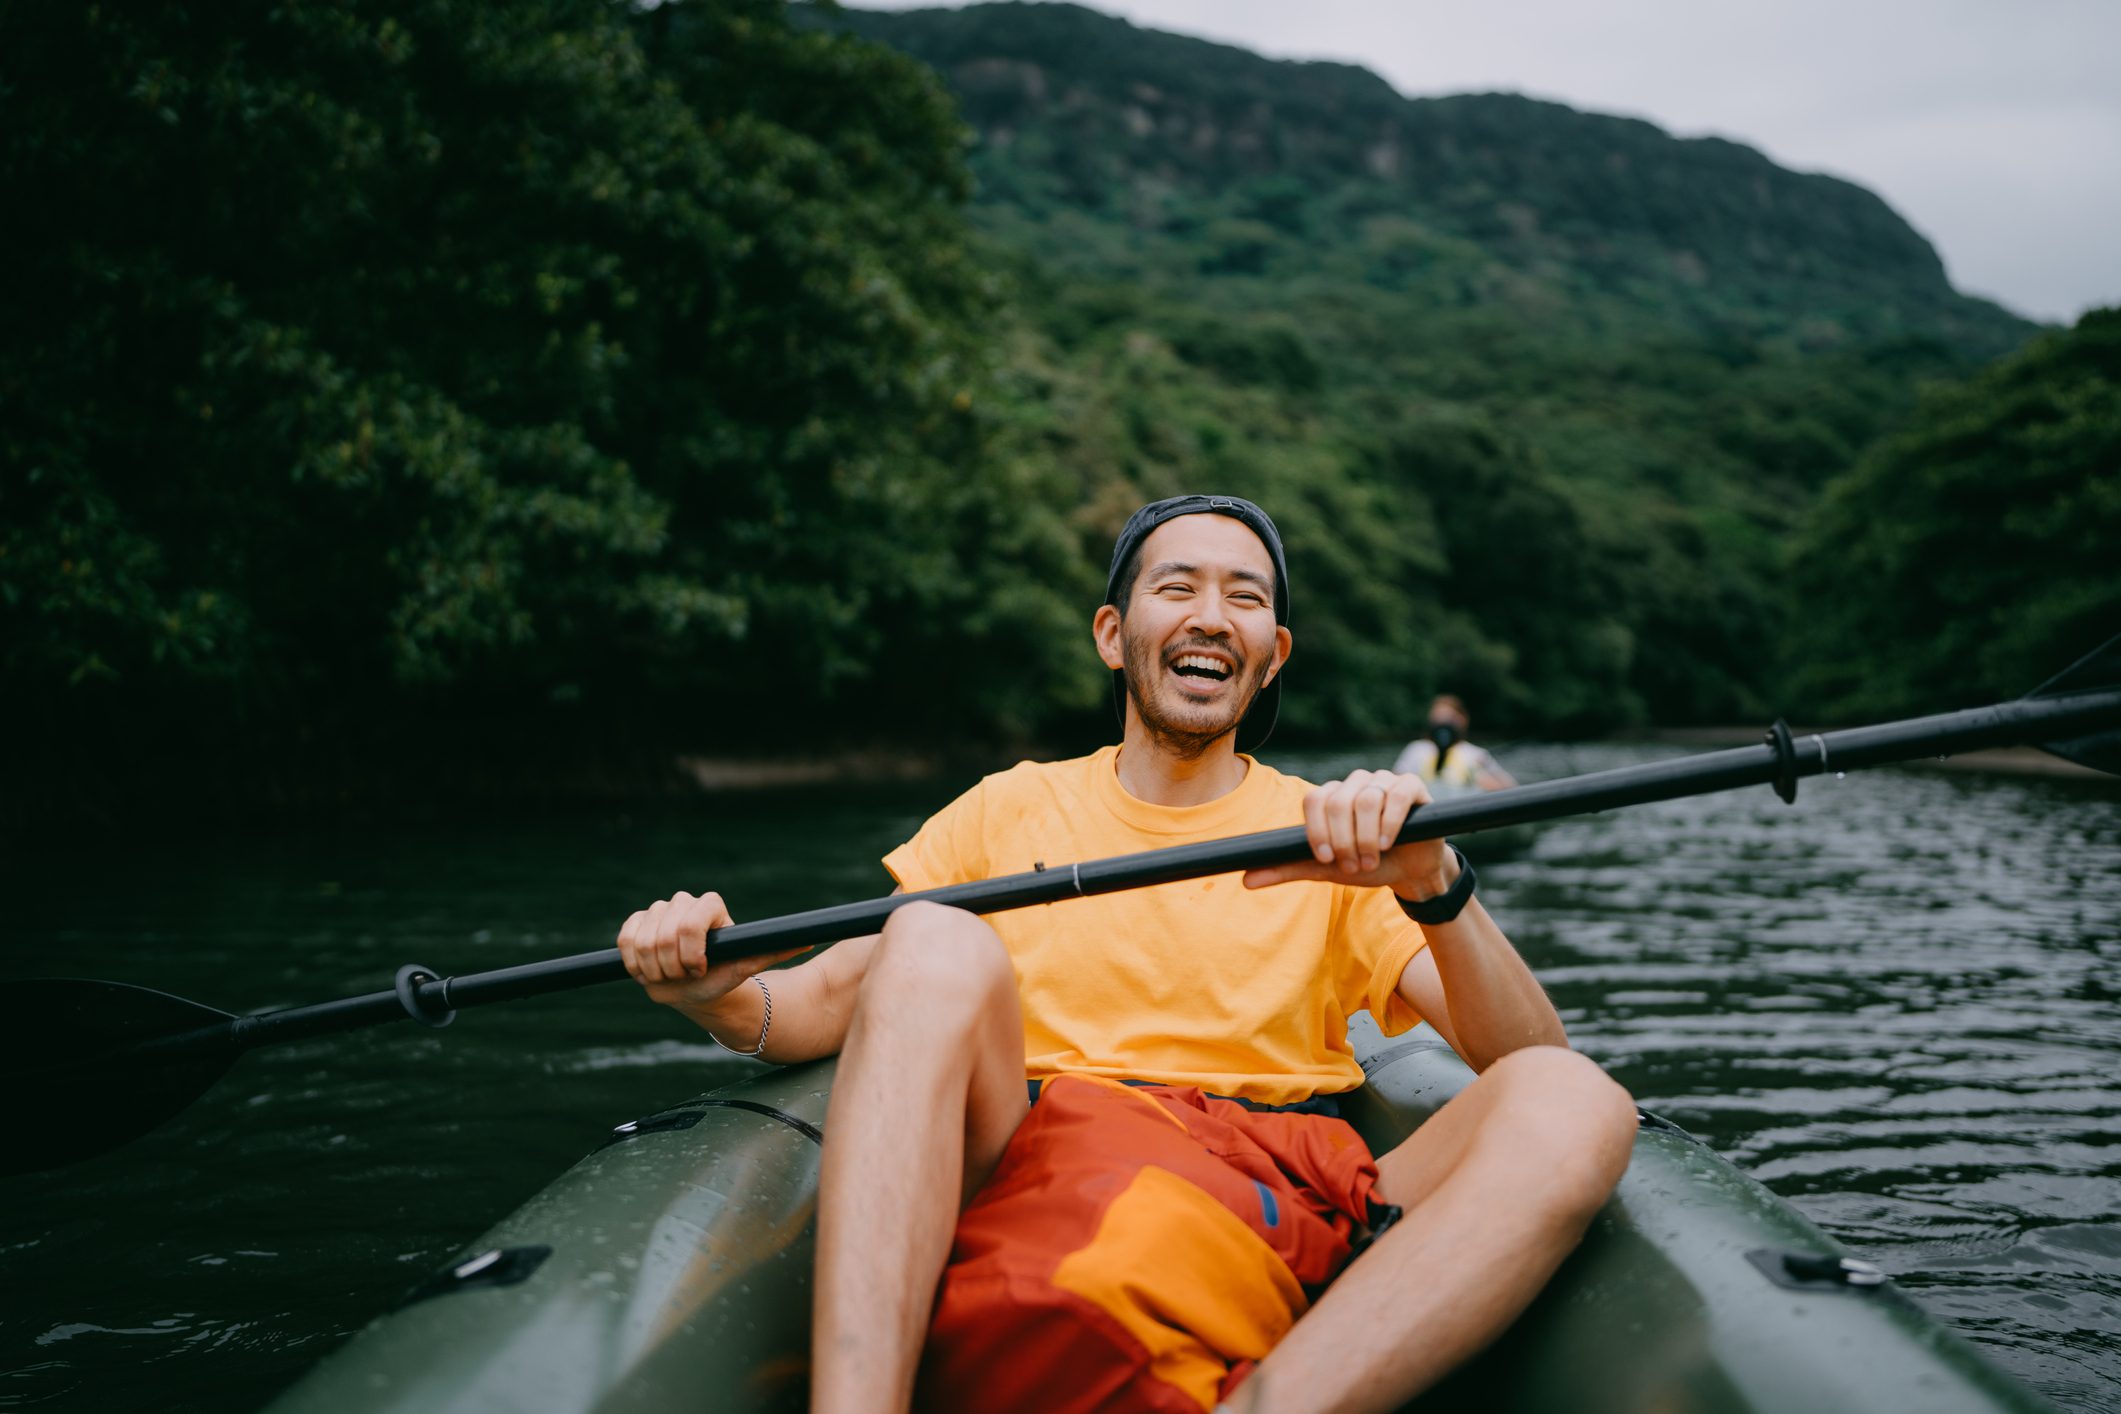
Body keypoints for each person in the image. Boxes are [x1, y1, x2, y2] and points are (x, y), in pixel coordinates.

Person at [616, 495, 1634, 1414]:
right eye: (1177, 586)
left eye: (1243, 597)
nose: (1209, 615)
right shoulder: (1008, 807)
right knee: (927, 933)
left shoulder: (1335, 833)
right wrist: (713, 993)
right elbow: (816, 1001)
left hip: (1275, 1183)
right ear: (1115, 634)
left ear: (1271, 654)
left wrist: (1432, 880)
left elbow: (1526, 1061)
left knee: (1583, 1102)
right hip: (1040, 1162)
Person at [1393, 694, 1516, 791]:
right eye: (1438, 718)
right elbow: (1396, 781)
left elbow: (1510, 788)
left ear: (1462, 720)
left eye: (1448, 718)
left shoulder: (1477, 755)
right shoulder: (1416, 749)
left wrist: (1485, 783)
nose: (1443, 723)